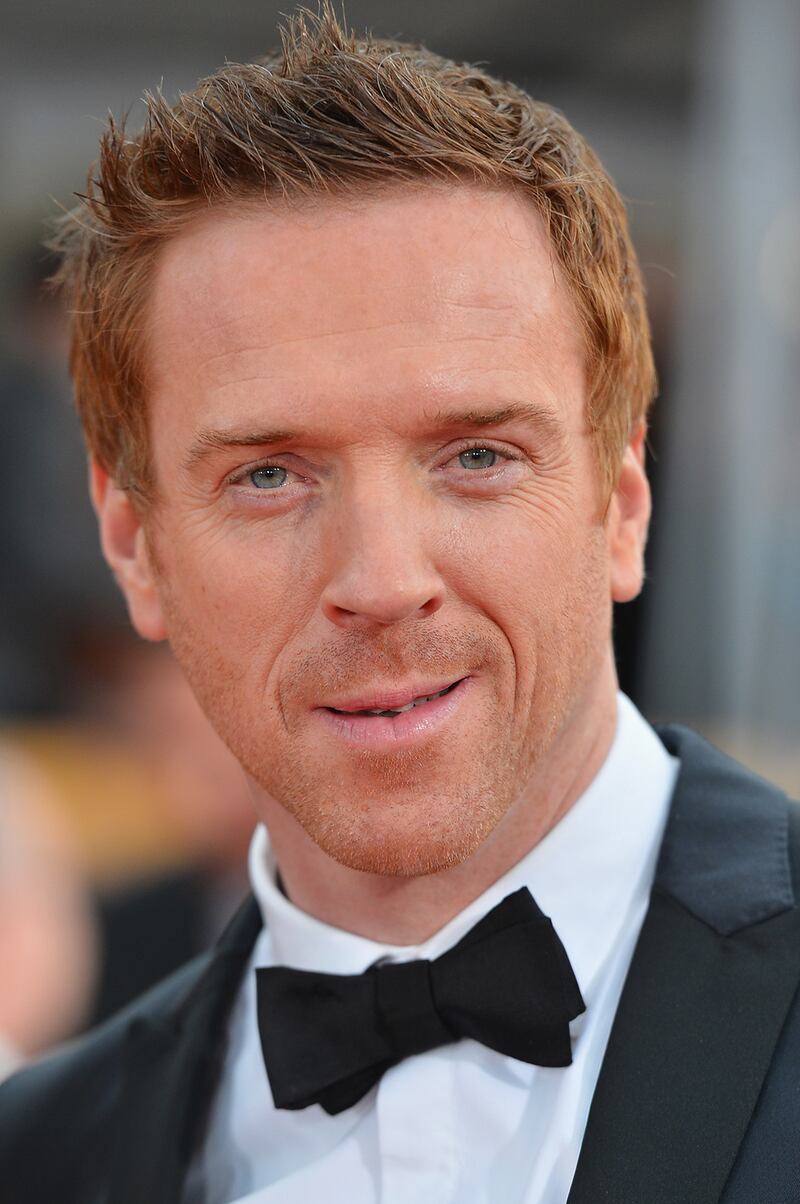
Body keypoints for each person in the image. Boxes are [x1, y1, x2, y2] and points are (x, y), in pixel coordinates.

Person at [1, 7, 798, 1202]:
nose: (379, 581)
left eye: (475, 456)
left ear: (621, 503)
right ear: (134, 543)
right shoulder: (36, 1157)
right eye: (268, 476)